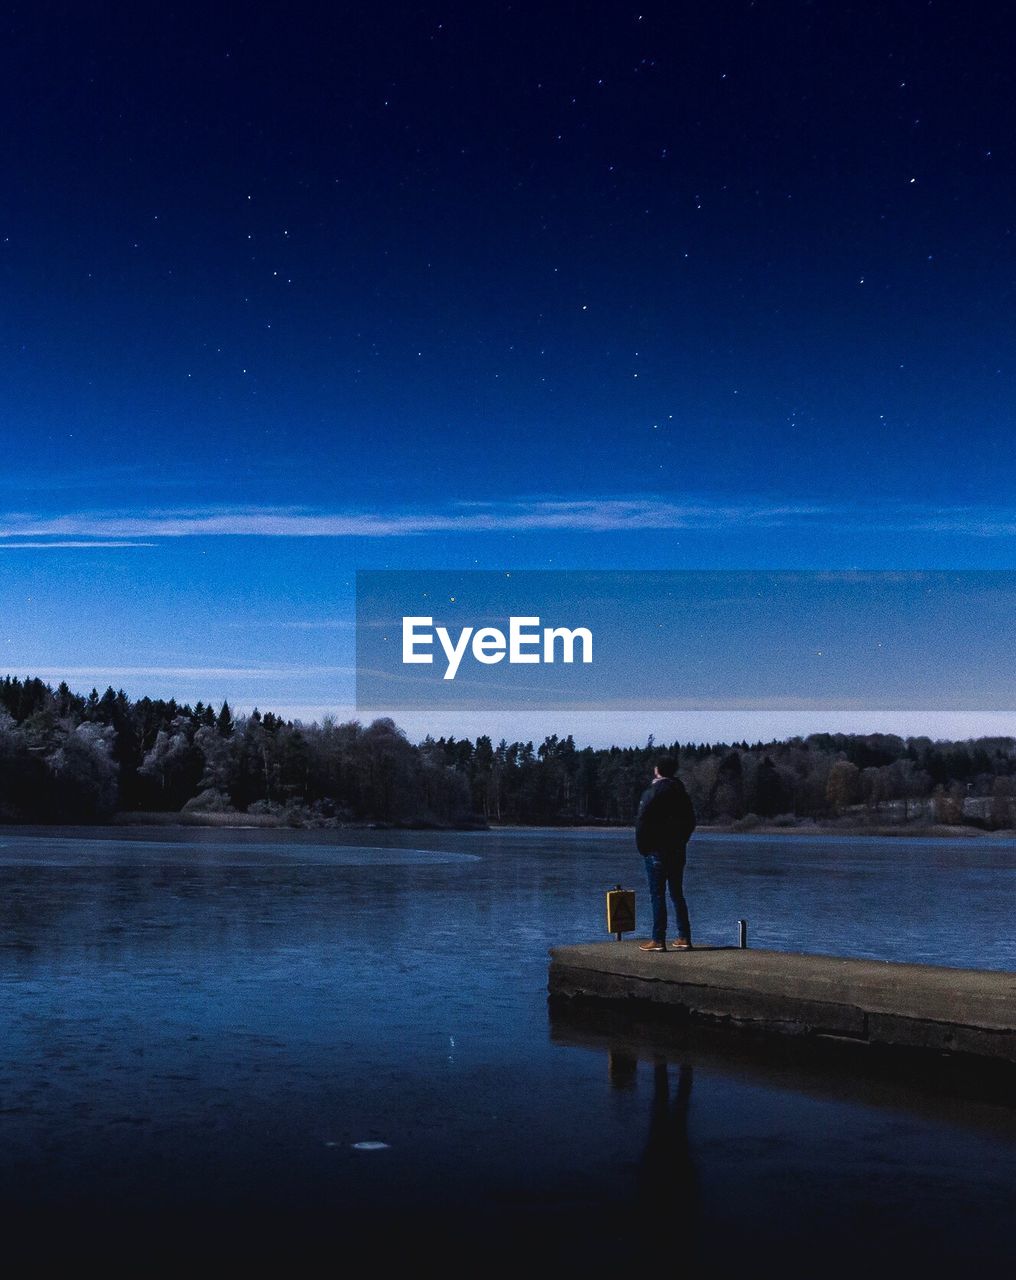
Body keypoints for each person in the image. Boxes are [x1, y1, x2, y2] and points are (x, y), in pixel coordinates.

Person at [635, 756, 696, 952]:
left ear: (657, 770)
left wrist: (644, 847)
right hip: (677, 850)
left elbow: (642, 821)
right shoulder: (681, 792)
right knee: (677, 894)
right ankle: (684, 936)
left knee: (657, 894)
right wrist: (682, 840)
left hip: (656, 850)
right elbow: (691, 821)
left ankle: (658, 939)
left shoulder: (653, 792)